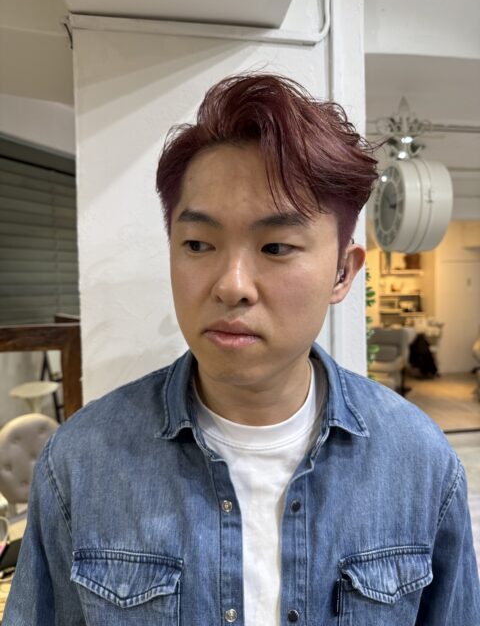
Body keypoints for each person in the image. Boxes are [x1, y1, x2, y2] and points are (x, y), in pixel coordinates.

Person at [4, 73, 479, 625]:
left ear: (342, 273)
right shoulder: (82, 462)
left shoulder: (419, 463)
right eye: (198, 244)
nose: (231, 285)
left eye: (276, 246)